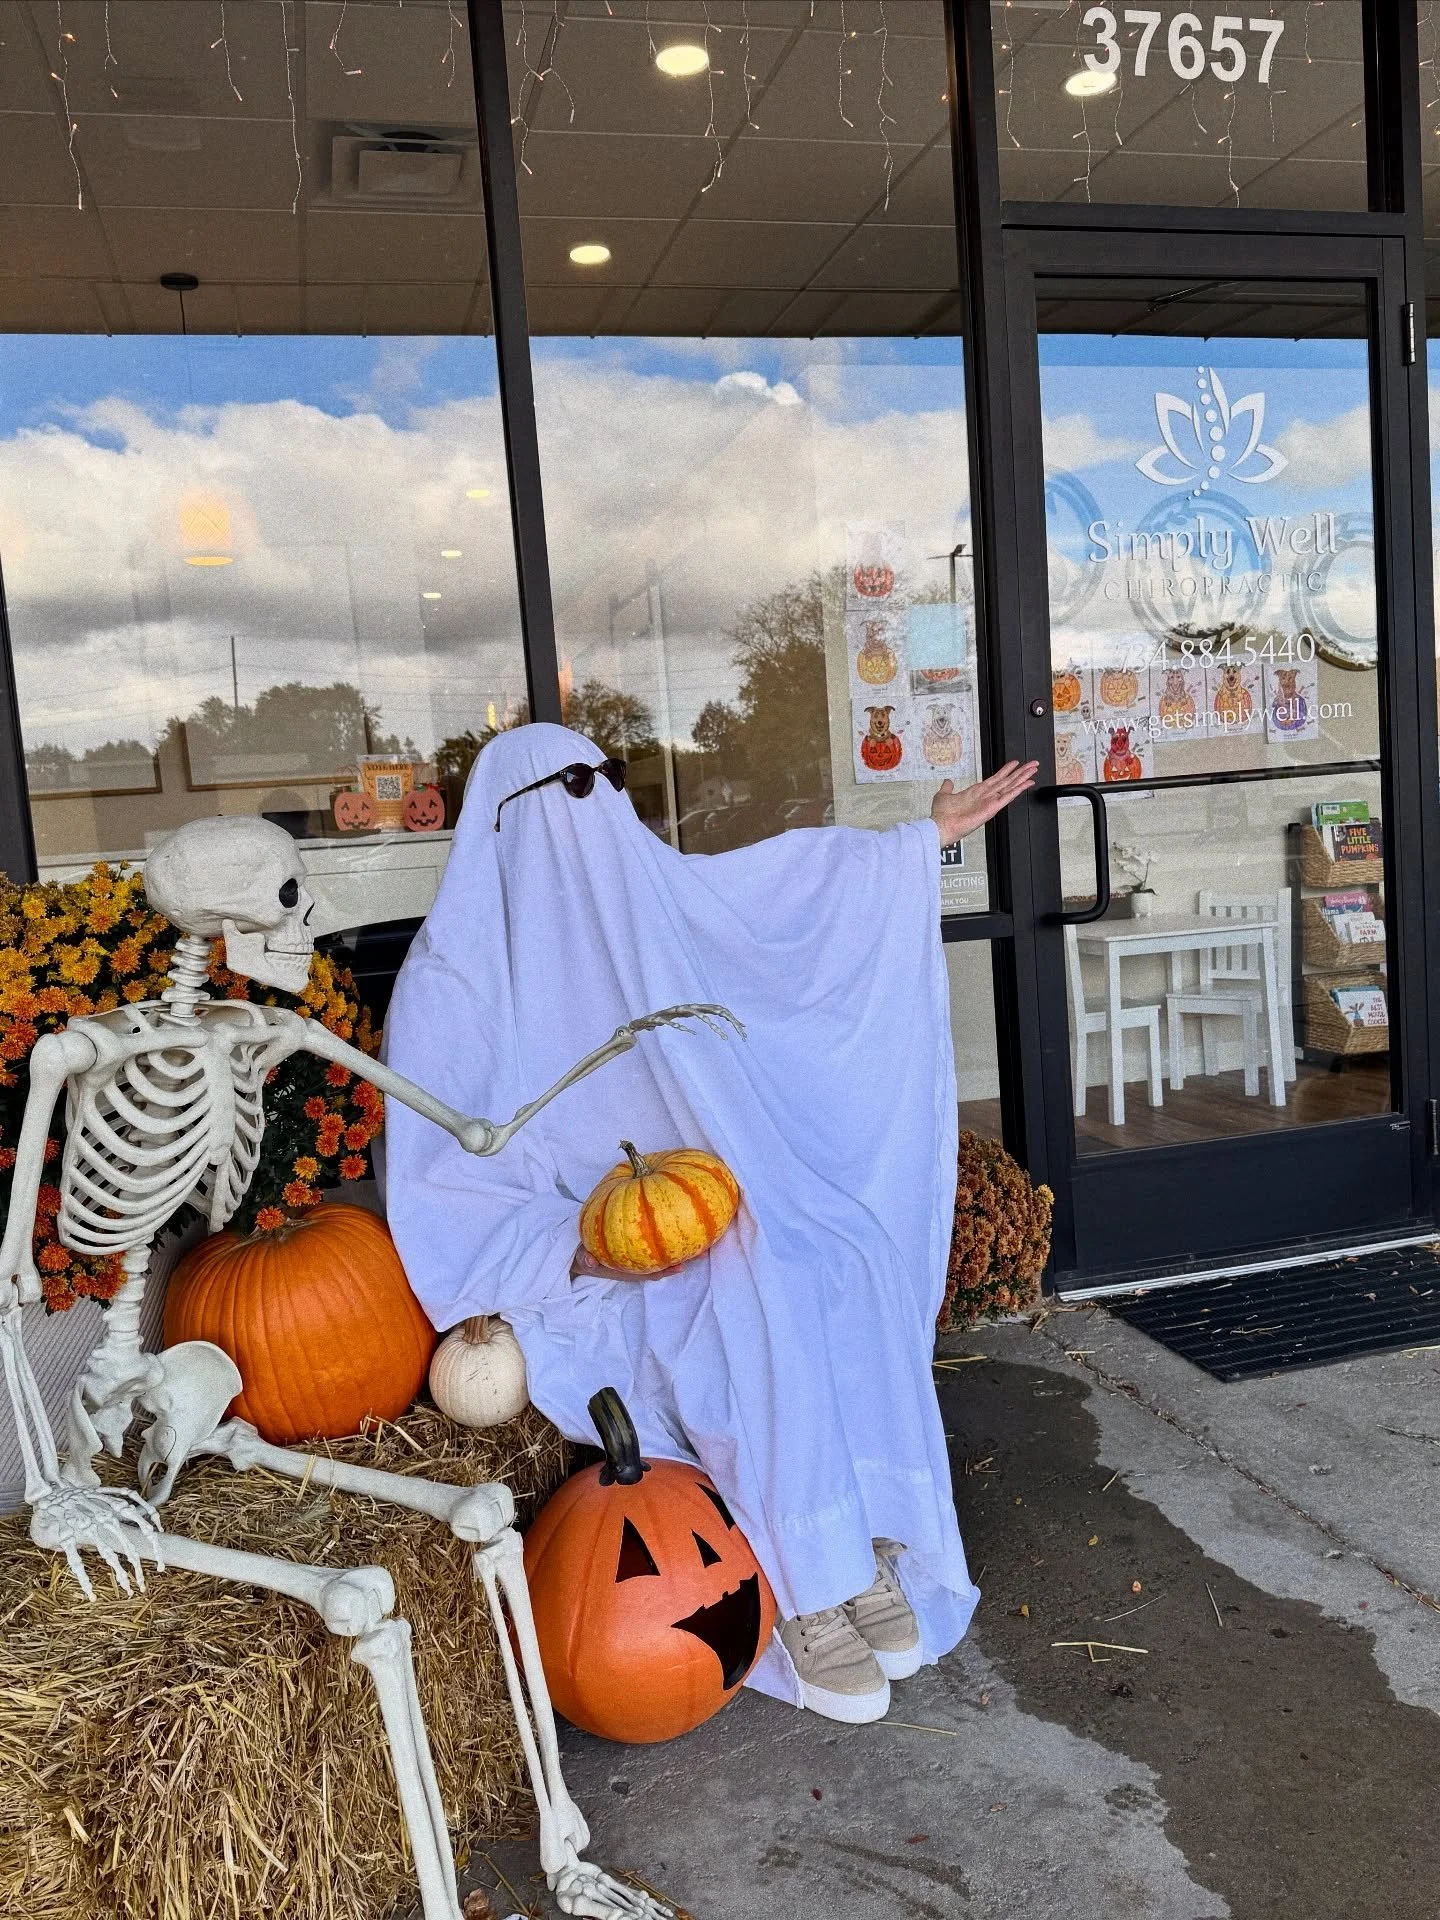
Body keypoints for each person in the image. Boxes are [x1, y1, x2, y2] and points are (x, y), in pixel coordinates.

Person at [381, 723, 1036, 1724]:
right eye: (565, 796)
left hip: (690, 1195)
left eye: (598, 789)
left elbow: (773, 909)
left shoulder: (647, 906)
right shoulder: (452, 986)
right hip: (575, 1253)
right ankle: (809, 1586)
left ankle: (859, 1536)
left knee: (834, 1249)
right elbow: (442, 1191)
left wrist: (917, 839)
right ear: (503, 824)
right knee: (745, 1290)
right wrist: (580, 1241)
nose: (588, 820)